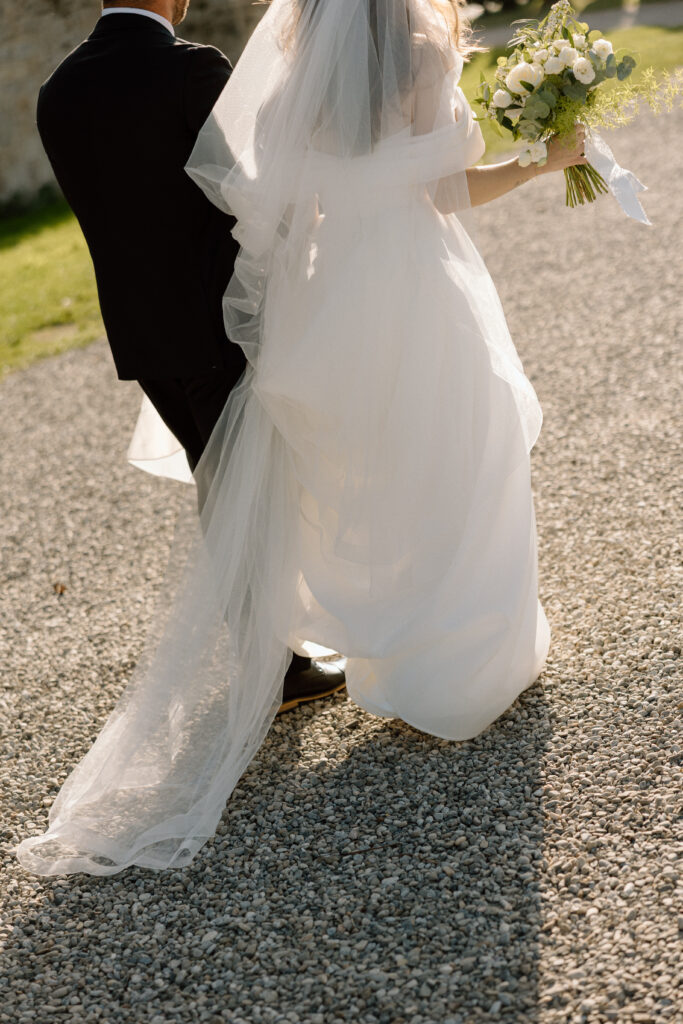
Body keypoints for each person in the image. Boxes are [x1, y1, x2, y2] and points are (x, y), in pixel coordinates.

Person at [17, 0, 587, 877]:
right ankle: (426, 654)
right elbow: (427, 191)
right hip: (371, 295)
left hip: (197, 323)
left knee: (318, 471)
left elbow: (255, 191)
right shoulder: (395, 50)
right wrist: (540, 160)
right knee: (452, 455)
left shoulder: (80, 86)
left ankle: (332, 659)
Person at [34, 0, 347, 713]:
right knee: (249, 485)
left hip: (143, 337)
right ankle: (274, 668)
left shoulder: (58, 89)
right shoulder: (192, 68)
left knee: (223, 482)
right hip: (220, 322)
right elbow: (252, 192)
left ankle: (275, 652)